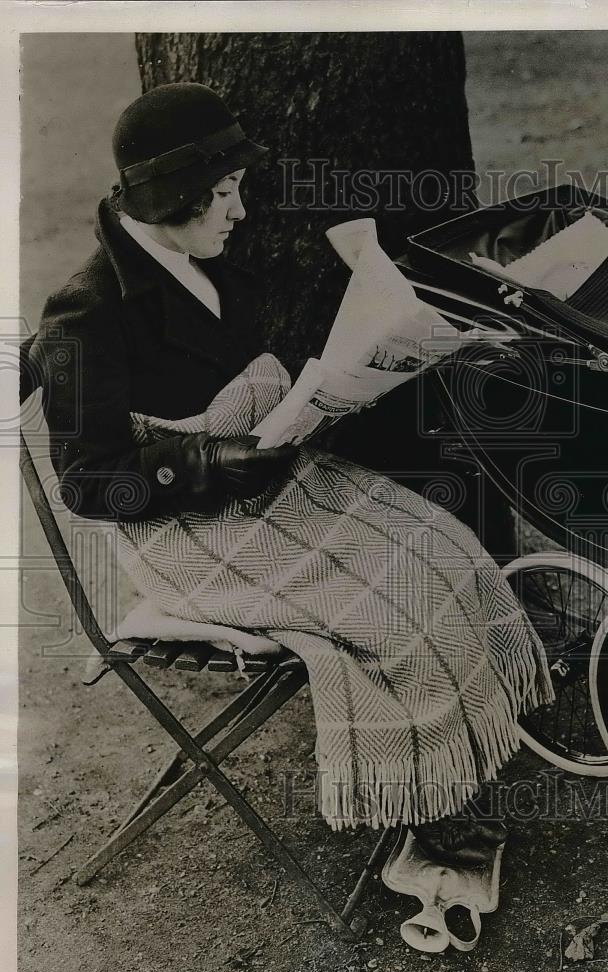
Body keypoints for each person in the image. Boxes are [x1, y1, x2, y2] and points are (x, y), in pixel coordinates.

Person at [30, 82, 553, 868]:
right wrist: (210, 459)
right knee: (393, 610)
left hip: (259, 485)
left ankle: (471, 749)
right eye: (223, 194)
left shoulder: (196, 257)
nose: (238, 211)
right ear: (173, 195)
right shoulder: (86, 311)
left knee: (443, 541)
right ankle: (430, 805)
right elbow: (86, 482)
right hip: (184, 531)